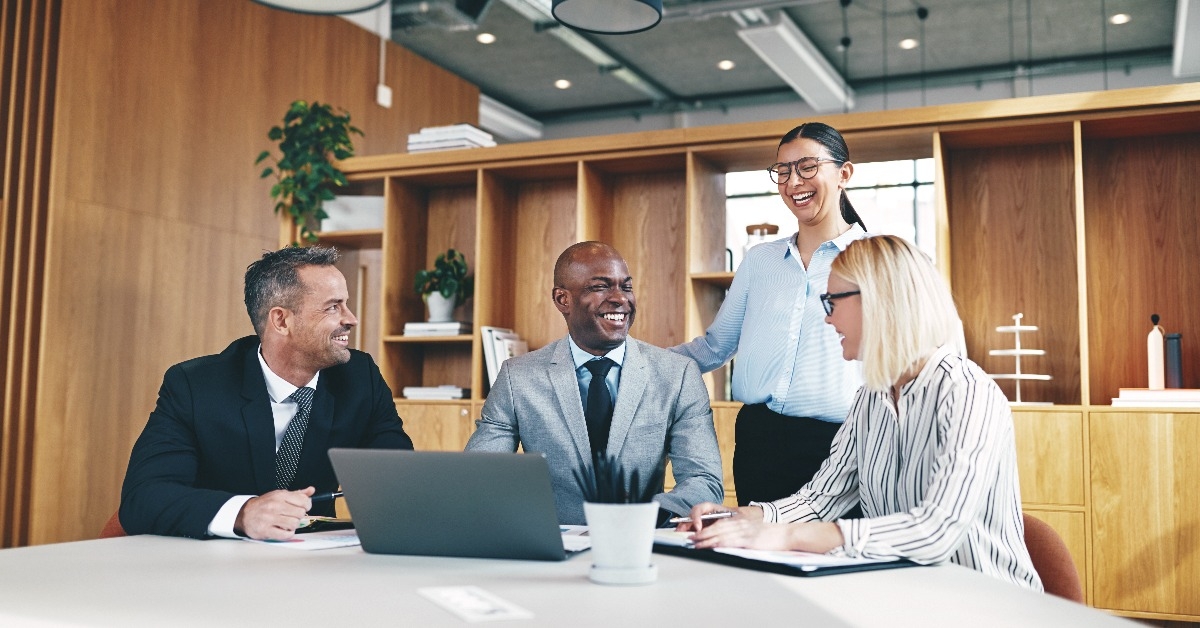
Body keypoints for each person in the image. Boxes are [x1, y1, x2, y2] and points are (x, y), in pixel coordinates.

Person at [678, 235, 1043, 591]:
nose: (827, 319)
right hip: (910, 597)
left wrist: (781, 534)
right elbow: (820, 500)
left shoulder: (967, 392)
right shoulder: (869, 399)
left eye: (831, 302)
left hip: (987, 603)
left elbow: (935, 529)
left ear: (879, 300)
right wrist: (743, 517)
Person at [119, 246, 414, 540]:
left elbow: (400, 481)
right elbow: (143, 497)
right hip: (215, 566)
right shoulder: (194, 386)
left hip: (317, 564)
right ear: (281, 320)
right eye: (333, 307)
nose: (351, 319)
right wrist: (243, 513)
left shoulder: (361, 378)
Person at [670, 122, 868, 506]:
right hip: (759, 442)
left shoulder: (874, 258)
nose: (794, 181)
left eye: (807, 167)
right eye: (783, 170)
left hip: (843, 444)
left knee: (831, 557)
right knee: (755, 556)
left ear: (844, 173)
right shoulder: (760, 262)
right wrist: (637, 364)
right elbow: (715, 346)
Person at [466, 241, 723, 526]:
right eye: (601, 287)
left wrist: (640, 517)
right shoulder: (518, 377)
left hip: (640, 542)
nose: (620, 299)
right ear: (563, 299)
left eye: (626, 287)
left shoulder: (678, 375)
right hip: (552, 544)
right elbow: (479, 476)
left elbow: (704, 481)